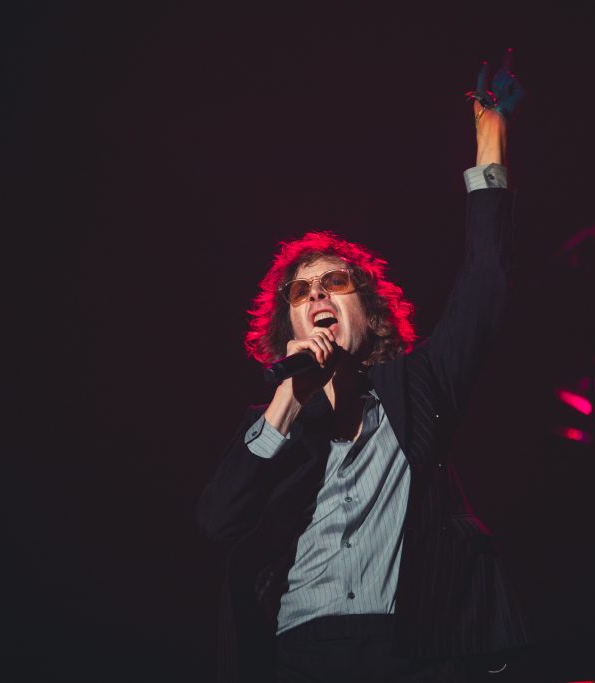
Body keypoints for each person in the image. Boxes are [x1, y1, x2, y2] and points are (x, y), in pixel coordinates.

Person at [198, 53, 527, 682]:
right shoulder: (272, 428)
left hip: (409, 650)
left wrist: (491, 133)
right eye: (302, 292)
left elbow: (486, 283)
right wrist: (286, 403)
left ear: (367, 312)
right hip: (298, 654)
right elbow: (217, 521)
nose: (318, 295)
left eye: (334, 284)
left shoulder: (420, 388)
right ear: (288, 326)